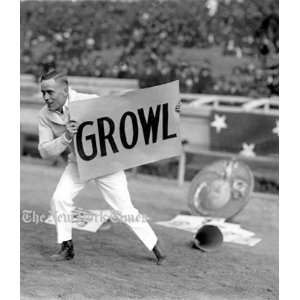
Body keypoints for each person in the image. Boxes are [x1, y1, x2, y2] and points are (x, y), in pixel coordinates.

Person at [38, 69, 166, 265]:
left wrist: (164, 110)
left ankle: (156, 247)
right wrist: (66, 137)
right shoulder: (44, 115)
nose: (46, 97)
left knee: (123, 208)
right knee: (59, 199)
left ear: (65, 90)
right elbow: (45, 151)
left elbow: (123, 115)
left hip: (106, 162)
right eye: (43, 92)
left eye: (50, 92)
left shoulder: (89, 100)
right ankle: (66, 247)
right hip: (78, 163)